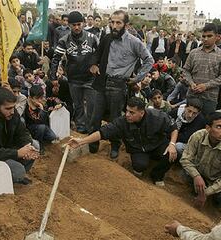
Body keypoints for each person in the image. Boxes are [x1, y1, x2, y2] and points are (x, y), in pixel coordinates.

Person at [69, 97, 178, 186]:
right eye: (126, 110)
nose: (127, 114)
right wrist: (81, 141)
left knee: (173, 153)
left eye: (132, 112)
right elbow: (102, 132)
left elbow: (173, 128)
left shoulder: (157, 116)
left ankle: (157, 175)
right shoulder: (122, 122)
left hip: (156, 144)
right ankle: (140, 173)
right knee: (139, 165)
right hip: (138, 149)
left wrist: (172, 144)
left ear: (141, 113)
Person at [89, 10, 154, 159]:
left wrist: (138, 78)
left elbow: (149, 60)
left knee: (115, 119)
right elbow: (97, 54)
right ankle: (92, 147)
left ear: (126, 24)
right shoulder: (106, 38)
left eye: (118, 23)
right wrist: (93, 64)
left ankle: (115, 146)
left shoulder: (134, 42)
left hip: (119, 86)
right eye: (112, 22)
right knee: (95, 117)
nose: (114, 25)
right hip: (101, 82)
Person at [50, 11, 99, 134]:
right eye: (73, 25)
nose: (76, 27)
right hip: (74, 79)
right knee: (78, 106)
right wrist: (53, 77)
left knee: (92, 106)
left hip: (90, 79)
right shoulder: (64, 40)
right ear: (69, 25)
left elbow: (100, 54)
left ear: (83, 23)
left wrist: (95, 65)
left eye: (78, 24)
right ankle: (81, 127)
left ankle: (92, 129)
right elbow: (56, 59)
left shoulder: (92, 38)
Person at [180, 112, 221, 207]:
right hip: (199, 174)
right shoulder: (198, 136)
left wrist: (206, 193)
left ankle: (213, 203)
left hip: (217, 180)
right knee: (184, 174)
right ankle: (196, 189)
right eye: (219, 127)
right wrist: (196, 176)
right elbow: (185, 159)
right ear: (208, 128)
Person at [183, 23, 221, 116]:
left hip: (209, 98)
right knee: (188, 122)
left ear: (216, 37)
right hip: (192, 96)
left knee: (206, 124)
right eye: (203, 36)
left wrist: (206, 86)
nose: (206, 39)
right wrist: (191, 83)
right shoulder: (193, 53)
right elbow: (185, 71)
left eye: (209, 36)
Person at [24, 85, 58, 154]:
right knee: (41, 127)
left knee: (52, 137)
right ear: (30, 98)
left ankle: (42, 138)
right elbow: (37, 121)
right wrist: (41, 110)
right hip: (31, 128)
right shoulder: (27, 107)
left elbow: (58, 101)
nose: (39, 100)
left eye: (41, 98)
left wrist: (59, 105)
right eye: (37, 98)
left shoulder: (43, 101)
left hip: (42, 126)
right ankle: (39, 144)